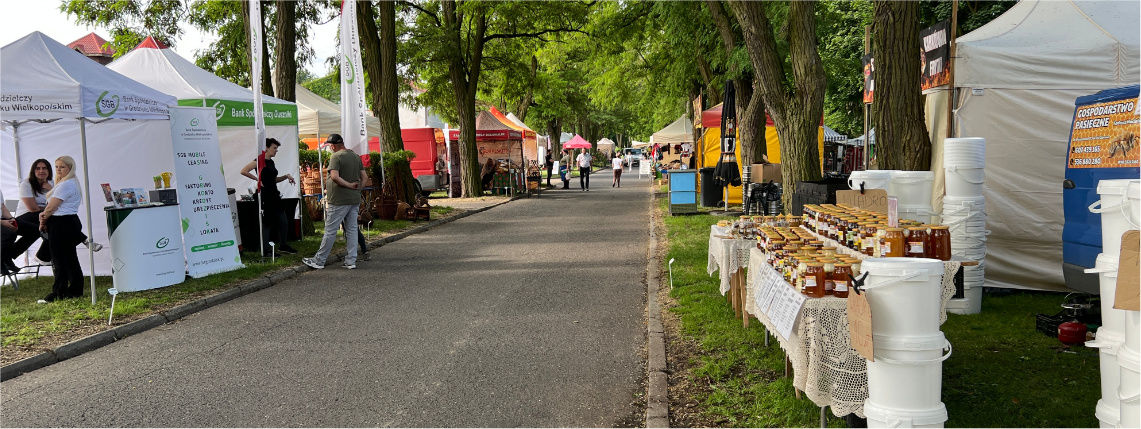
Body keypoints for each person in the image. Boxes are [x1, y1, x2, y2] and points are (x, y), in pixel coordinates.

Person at [303, 134, 365, 270]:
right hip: (354, 199)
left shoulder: (336, 157)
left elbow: (335, 177)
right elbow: (364, 177)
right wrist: (357, 189)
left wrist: (349, 185)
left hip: (339, 200)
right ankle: (351, 261)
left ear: (332, 146)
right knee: (352, 230)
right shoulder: (355, 156)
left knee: (330, 230)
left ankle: (319, 261)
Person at [37, 156, 88, 303]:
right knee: (70, 259)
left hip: (61, 224)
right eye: (57, 166)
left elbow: (52, 207)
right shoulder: (69, 182)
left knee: (59, 260)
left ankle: (59, 293)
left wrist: (43, 220)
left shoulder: (66, 184)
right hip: (67, 222)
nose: (58, 170)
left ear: (70, 168)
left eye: (62, 167)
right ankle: (75, 290)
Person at [241, 138, 297, 256]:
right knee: (267, 223)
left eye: (277, 148)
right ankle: (266, 250)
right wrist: (257, 179)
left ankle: (283, 245)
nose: (276, 150)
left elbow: (273, 180)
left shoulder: (271, 162)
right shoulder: (259, 160)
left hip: (274, 195)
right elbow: (244, 171)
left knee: (283, 221)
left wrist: (286, 176)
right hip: (265, 196)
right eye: (274, 148)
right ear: (266, 148)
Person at [4, 159, 55, 271]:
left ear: (49, 170)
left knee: (47, 228)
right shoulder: (26, 184)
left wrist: (51, 190)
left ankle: (7, 256)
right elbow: (33, 208)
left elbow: (58, 202)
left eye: (44, 168)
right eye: (38, 168)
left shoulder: (51, 183)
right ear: (33, 171)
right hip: (25, 218)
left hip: (42, 216)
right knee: (52, 223)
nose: (41, 171)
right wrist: (49, 208)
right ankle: (43, 256)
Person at [1, 189, 20, 275]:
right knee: (9, 233)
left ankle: (7, 257)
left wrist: (12, 219)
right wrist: (2, 222)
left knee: (34, 229)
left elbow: (2, 207)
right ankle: (3, 260)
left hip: (3, 219)